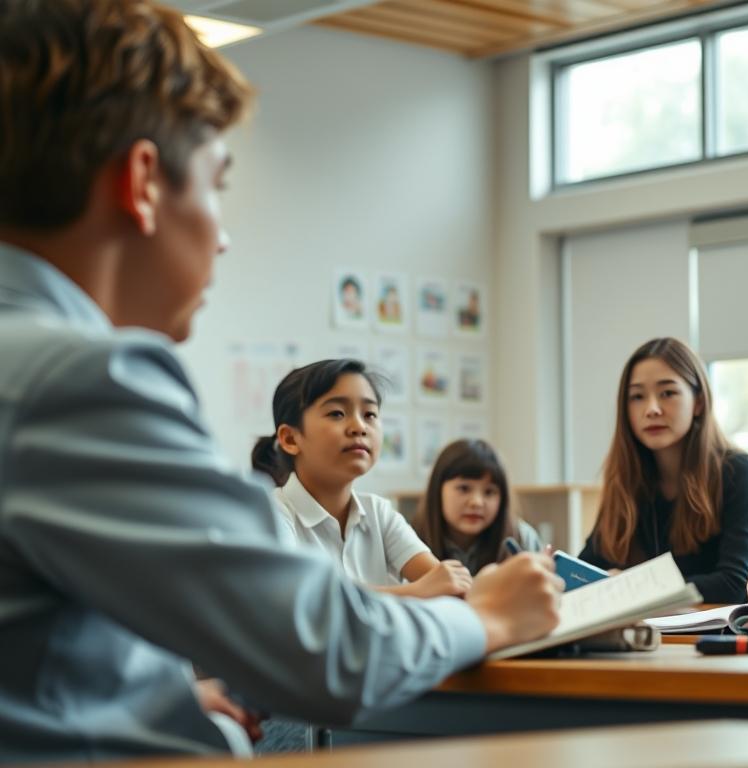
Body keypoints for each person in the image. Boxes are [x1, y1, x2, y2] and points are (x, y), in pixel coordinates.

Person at [0, 1, 561, 759]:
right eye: (216, 184)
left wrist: (148, 693)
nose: (223, 237)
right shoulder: (78, 379)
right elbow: (328, 653)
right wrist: (489, 618)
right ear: (142, 184)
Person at [253, 359, 472, 598]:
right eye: (337, 413)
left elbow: (442, 583)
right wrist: (415, 592)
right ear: (290, 439)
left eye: (369, 414)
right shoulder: (272, 513)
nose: (359, 427)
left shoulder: (378, 513)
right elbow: (304, 598)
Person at [579, 337, 748, 603]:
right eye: (636, 397)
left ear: (699, 403)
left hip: (722, 635)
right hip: (656, 635)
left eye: (667, 393)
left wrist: (632, 586)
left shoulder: (739, 471)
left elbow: (737, 582)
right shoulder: (626, 480)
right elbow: (589, 570)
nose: (652, 409)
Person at [415, 438, 545, 575]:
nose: (476, 502)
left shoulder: (521, 538)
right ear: (437, 490)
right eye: (464, 488)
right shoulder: (409, 539)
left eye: (489, 492)